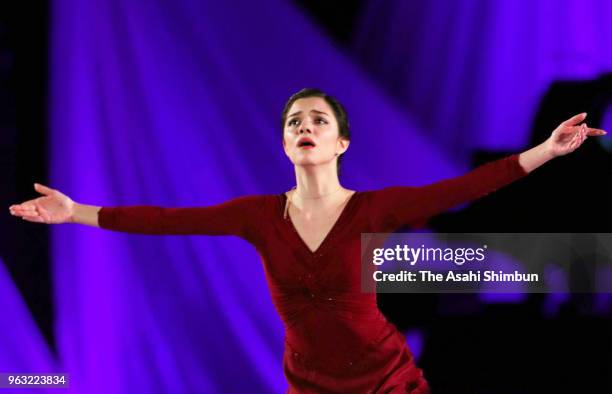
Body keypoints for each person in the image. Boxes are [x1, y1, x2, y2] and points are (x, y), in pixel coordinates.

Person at [8, 88, 606, 393]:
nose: (305, 127)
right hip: (311, 385)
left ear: (342, 143)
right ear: (285, 143)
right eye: (295, 121)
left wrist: (546, 151)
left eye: (318, 119)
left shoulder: (376, 207)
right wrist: (75, 211)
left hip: (384, 381)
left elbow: (464, 187)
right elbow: (168, 219)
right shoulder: (258, 216)